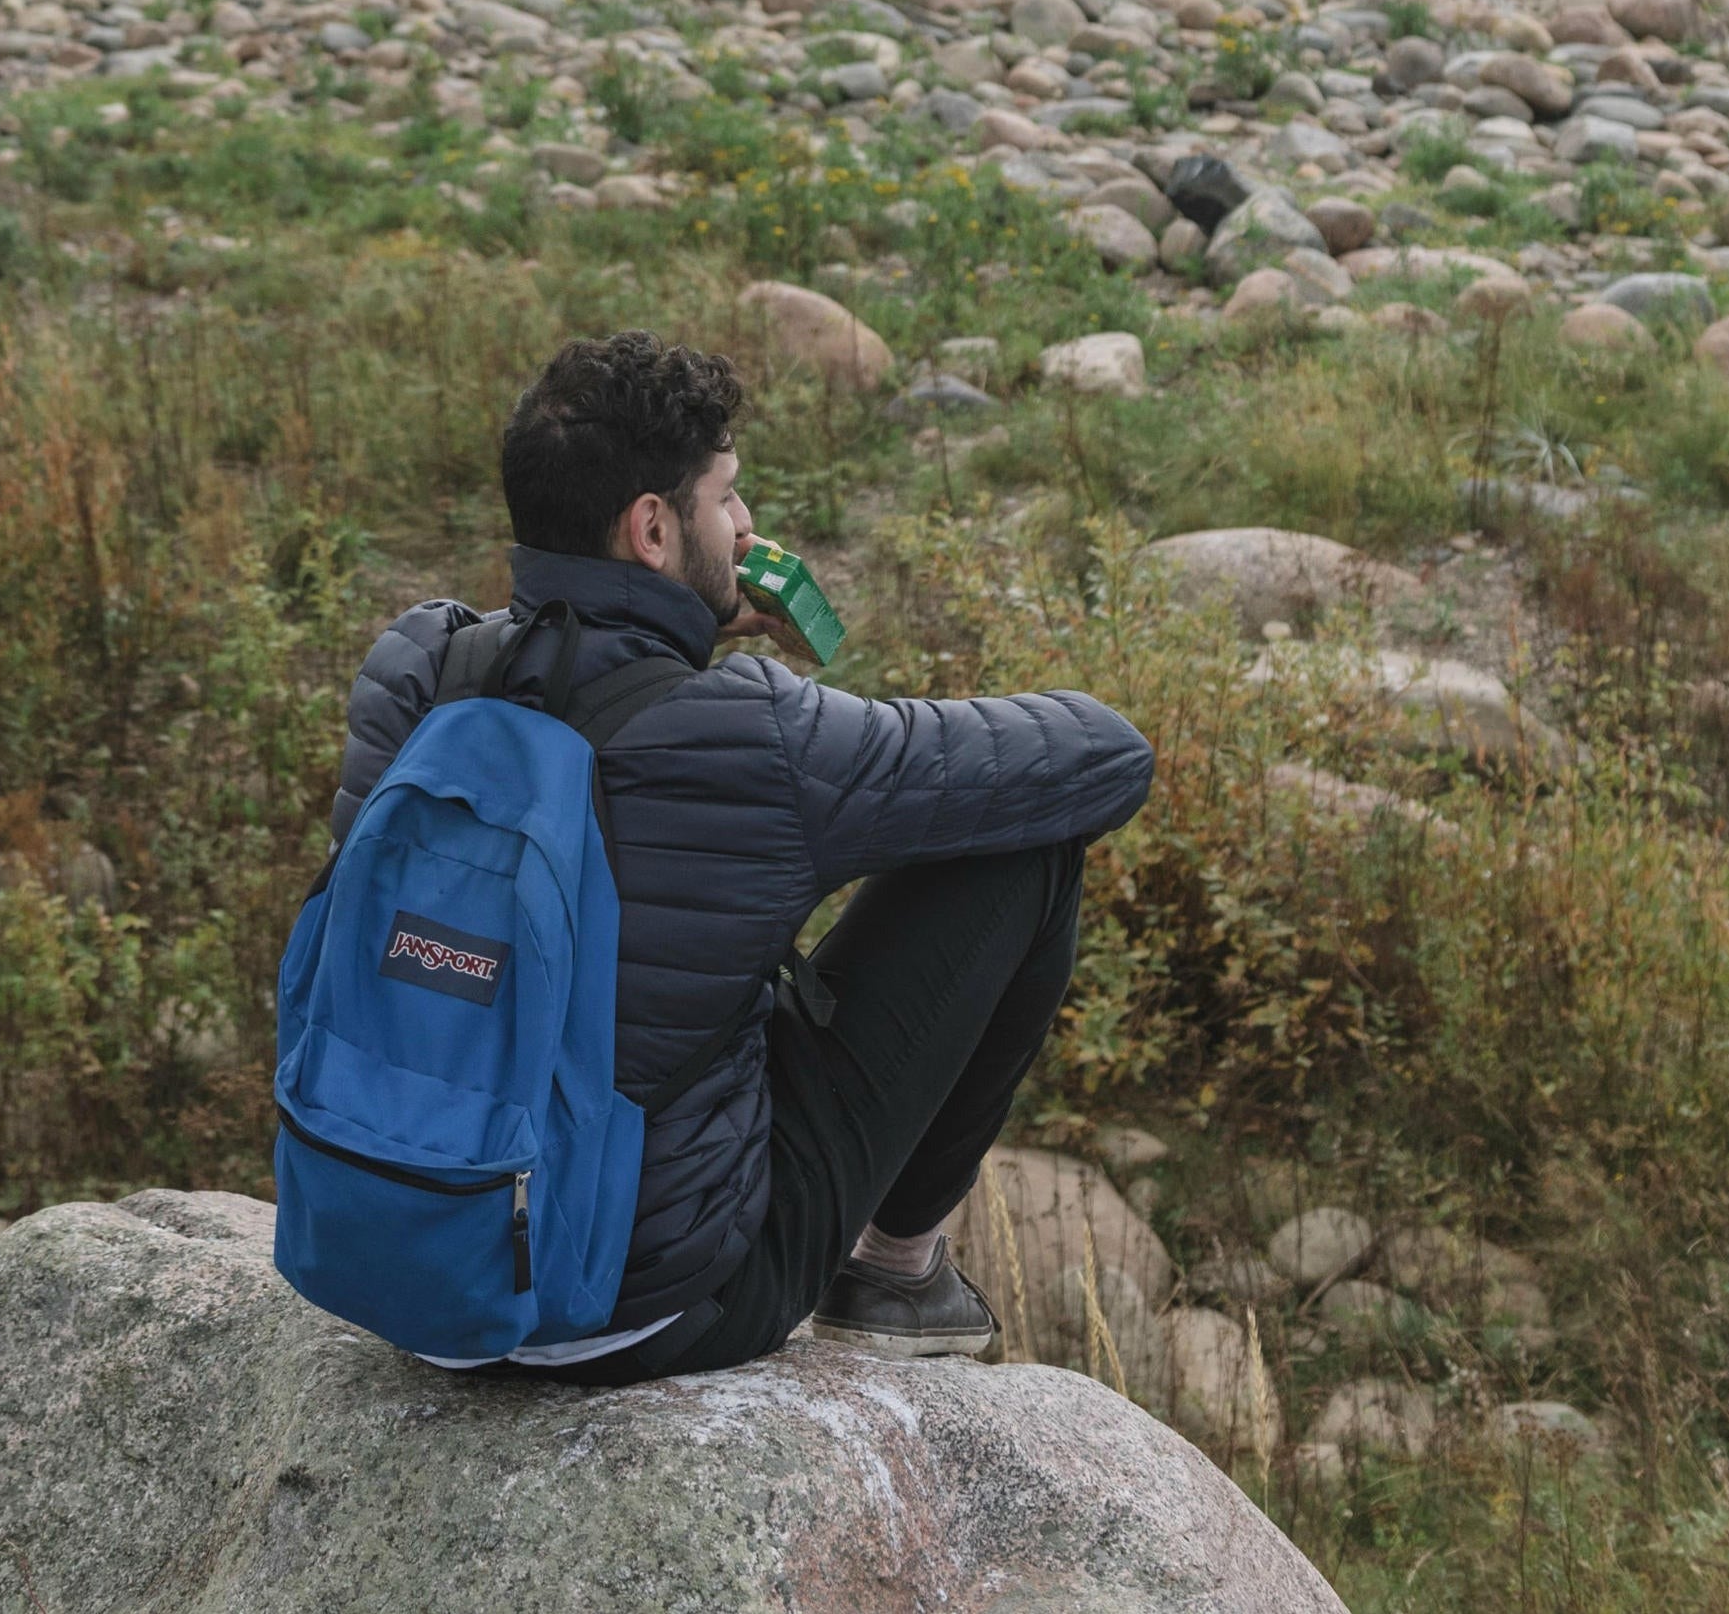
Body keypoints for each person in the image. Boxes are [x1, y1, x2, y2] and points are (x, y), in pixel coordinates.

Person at [329, 329, 1153, 1384]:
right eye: (726, 498)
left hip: (406, 1273)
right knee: (1023, 852)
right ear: (653, 526)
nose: (746, 523)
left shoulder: (417, 664)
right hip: (643, 1303)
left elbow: (568, 667)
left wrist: (680, 628)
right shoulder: (749, 730)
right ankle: (897, 1273)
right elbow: (1106, 758)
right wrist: (720, 659)